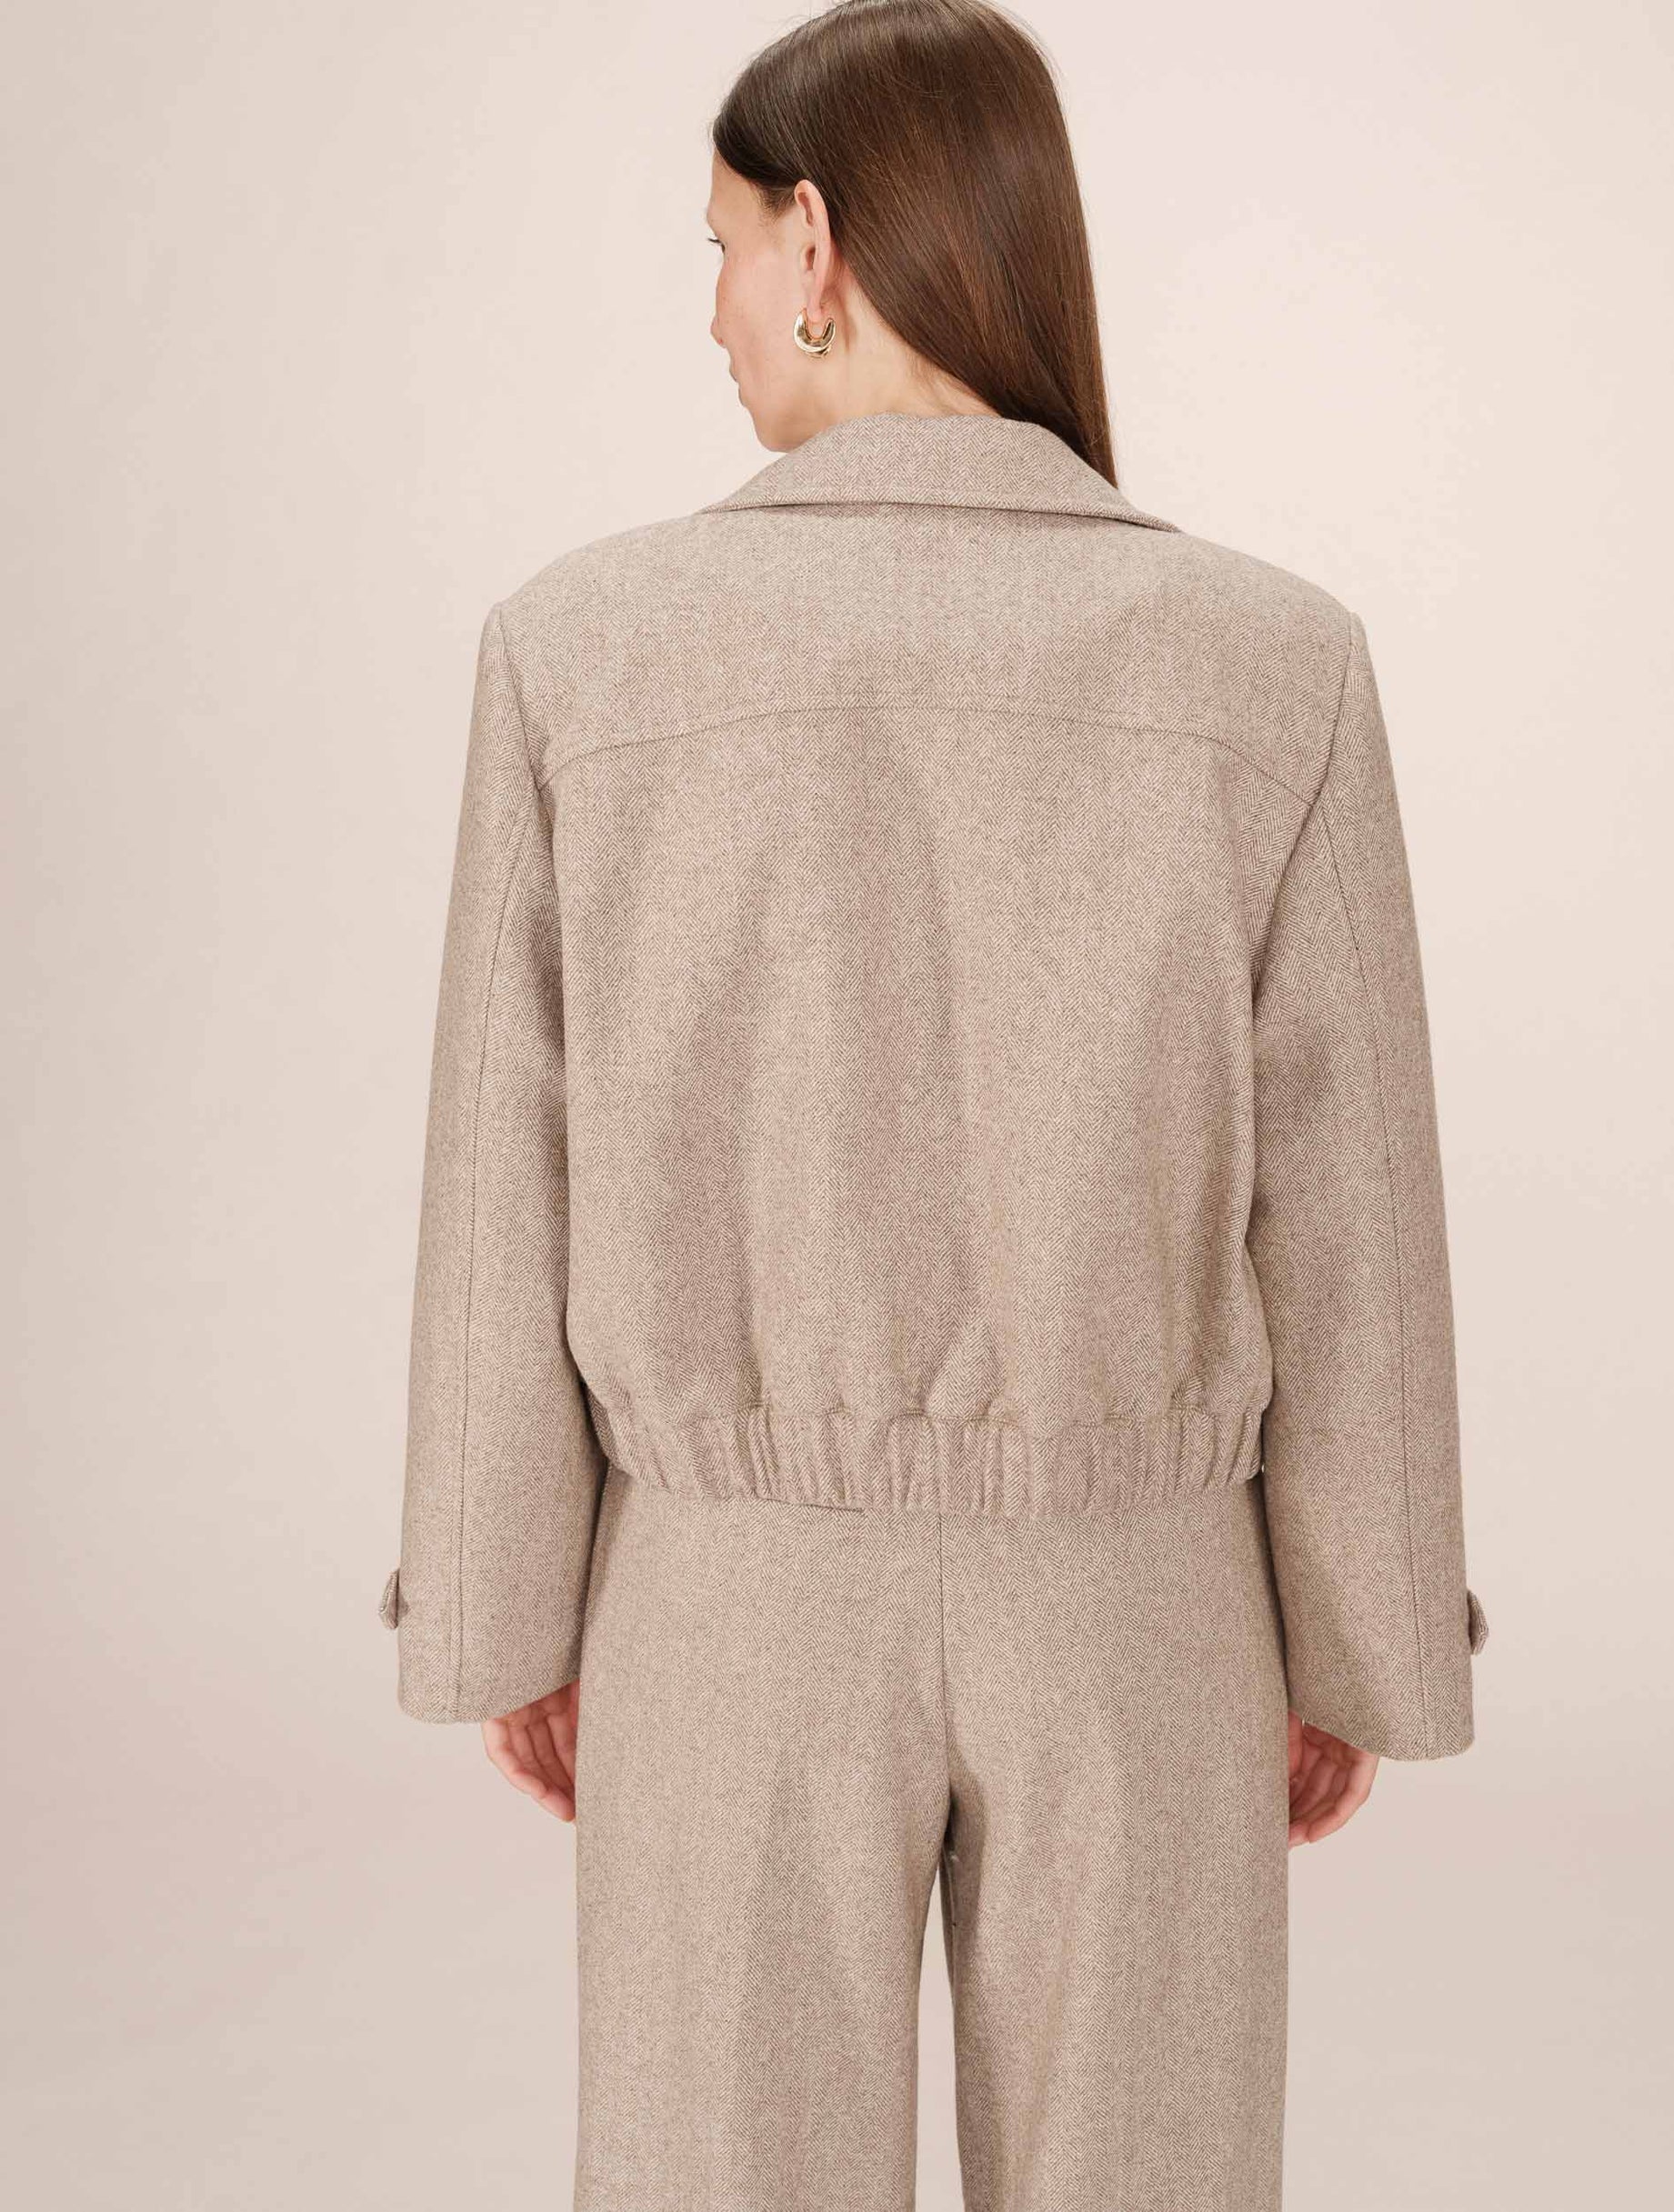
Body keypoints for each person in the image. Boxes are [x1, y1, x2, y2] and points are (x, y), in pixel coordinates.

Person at [379, 2, 1489, 2204]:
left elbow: (509, 1174)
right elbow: (1348, 1201)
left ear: (816, 245)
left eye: (717, 245)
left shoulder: (582, 651)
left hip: (727, 1600)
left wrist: (510, 1603)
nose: (709, 309)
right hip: (1140, 1605)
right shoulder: (1272, 663)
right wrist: (1354, 1624)